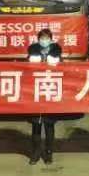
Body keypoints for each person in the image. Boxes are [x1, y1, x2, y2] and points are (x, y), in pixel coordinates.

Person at [27, 28, 63, 165]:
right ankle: (35, 153)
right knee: (36, 126)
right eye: (42, 38)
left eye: (47, 38)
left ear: (51, 39)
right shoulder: (32, 51)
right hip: (35, 93)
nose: (44, 40)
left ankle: (49, 153)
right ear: (38, 39)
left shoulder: (57, 52)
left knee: (49, 125)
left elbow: (63, 72)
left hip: (50, 92)